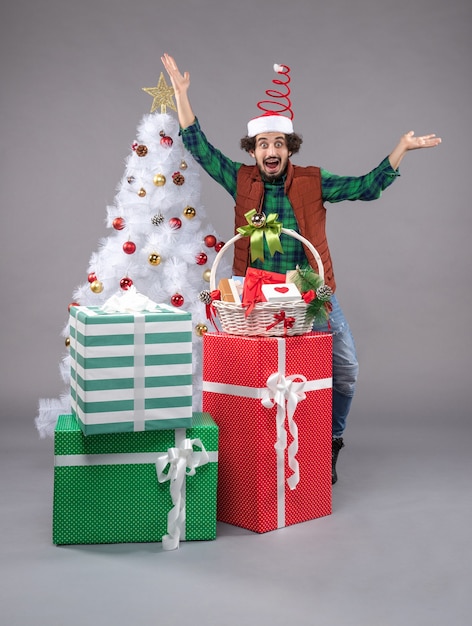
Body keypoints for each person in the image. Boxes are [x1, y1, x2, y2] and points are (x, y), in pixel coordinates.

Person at [161, 53, 441, 484]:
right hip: (251, 293)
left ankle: (329, 442)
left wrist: (400, 149)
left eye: (278, 144)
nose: (270, 152)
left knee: (344, 368)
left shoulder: (312, 180)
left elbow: (365, 188)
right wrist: (182, 95)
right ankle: (242, 459)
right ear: (252, 151)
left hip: (308, 293)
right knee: (247, 376)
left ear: (288, 149)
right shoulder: (240, 179)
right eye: (262, 145)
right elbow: (198, 147)